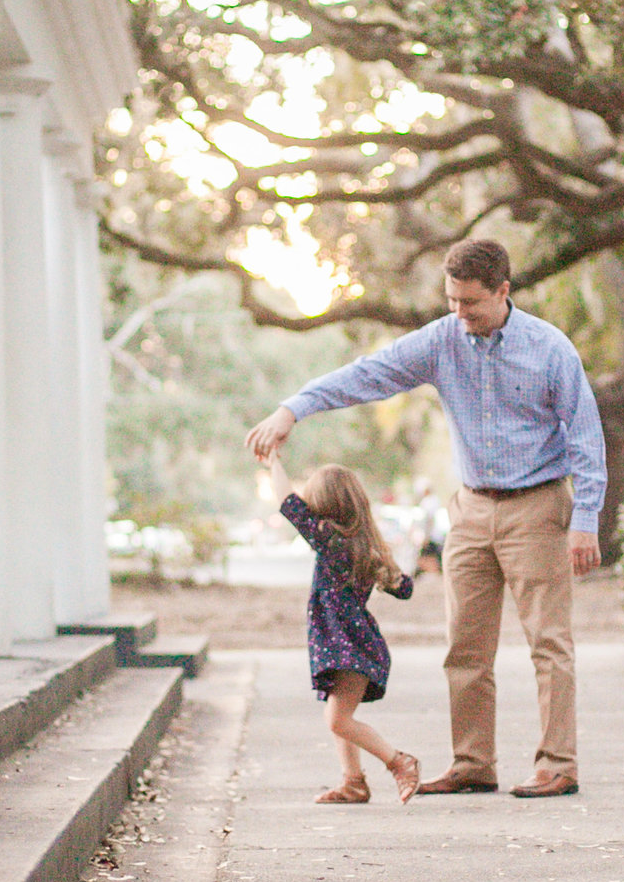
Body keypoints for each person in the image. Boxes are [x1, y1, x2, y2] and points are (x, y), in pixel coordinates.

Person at [246, 238, 605, 799]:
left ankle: (557, 763)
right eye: (452, 301)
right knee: (464, 647)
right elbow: (369, 374)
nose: (460, 313)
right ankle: (472, 763)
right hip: (469, 508)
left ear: (504, 292)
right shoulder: (442, 340)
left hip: (537, 505)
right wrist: (294, 408)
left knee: (548, 643)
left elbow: (585, 437)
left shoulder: (550, 350)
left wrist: (586, 518)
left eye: (471, 303)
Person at [265, 450, 421, 804]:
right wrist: (388, 568)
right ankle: (353, 782)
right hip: (351, 644)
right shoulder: (364, 546)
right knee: (338, 715)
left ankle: (399, 762)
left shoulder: (332, 542)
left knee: (338, 720)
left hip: (347, 646)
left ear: (325, 505)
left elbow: (288, 504)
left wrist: (275, 462)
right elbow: (405, 589)